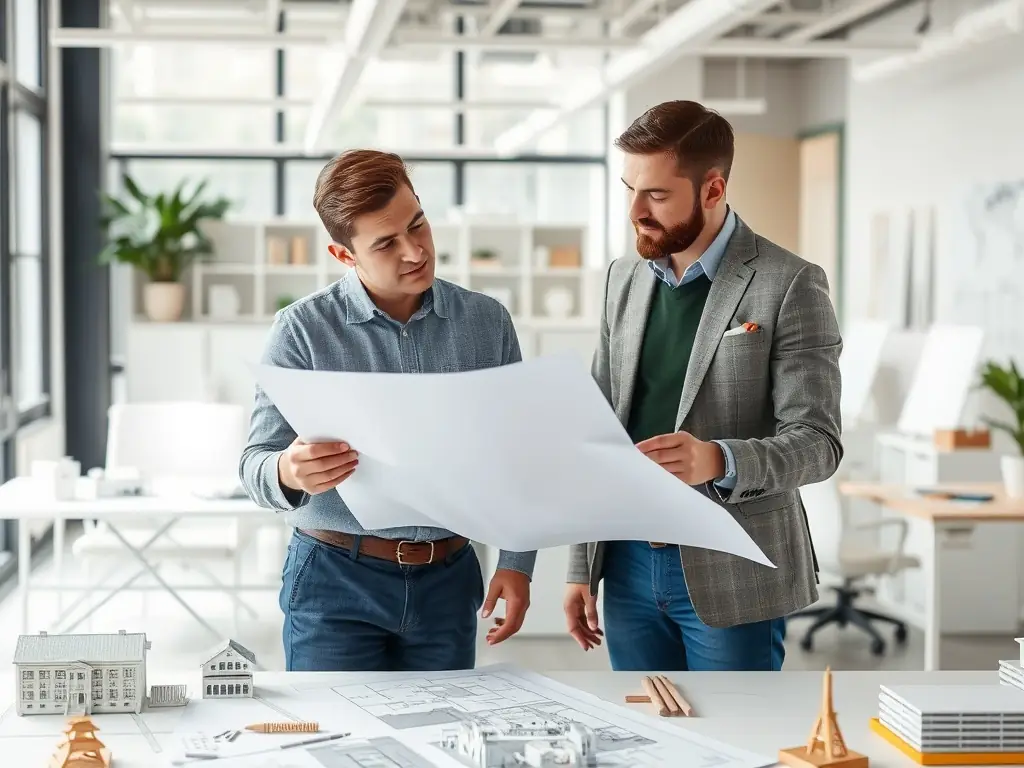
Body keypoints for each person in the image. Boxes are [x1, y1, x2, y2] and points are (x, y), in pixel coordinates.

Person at [563, 100, 842, 672]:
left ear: (712, 190)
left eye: (657, 195)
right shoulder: (623, 278)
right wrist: (580, 568)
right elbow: (596, 433)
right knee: (645, 743)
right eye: (629, 190)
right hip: (627, 560)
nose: (636, 210)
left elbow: (819, 443)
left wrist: (718, 459)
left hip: (735, 565)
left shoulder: (790, 284)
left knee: (737, 747)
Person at [239, 149, 536, 672]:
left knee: (439, 744)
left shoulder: (486, 323)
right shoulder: (301, 331)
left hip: (449, 580)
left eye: (417, 224)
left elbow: (517, 455)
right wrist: (287, 470)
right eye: (386, 244)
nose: (415, 250)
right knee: (338, 741)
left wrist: (517, 563)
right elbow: (254, 463)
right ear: (343, 254)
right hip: (334, 581)